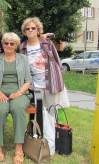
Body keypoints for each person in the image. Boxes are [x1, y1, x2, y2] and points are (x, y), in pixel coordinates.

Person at [19, 17, 69, 154]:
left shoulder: (47, 43)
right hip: (35, 85)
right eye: (27, 28)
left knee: (52, 112)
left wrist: (60, 78)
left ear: (38, 30)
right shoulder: (22, 47)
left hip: (51, 82)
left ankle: (52, 143)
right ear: (24, 31)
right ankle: (40, 141)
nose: (30, 30)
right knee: (39, 113)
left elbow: (58, 62)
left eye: (33, 28)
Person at [0, 32, 32, 164]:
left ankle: (19, 148)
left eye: (11, 43)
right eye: (6, 43)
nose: (8, 45)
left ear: (16, 45)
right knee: (1, 110)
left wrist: (19, 93)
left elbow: (28, 80)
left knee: (18, 108)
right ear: (2, 44)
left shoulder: (23, 59)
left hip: (19, 93)